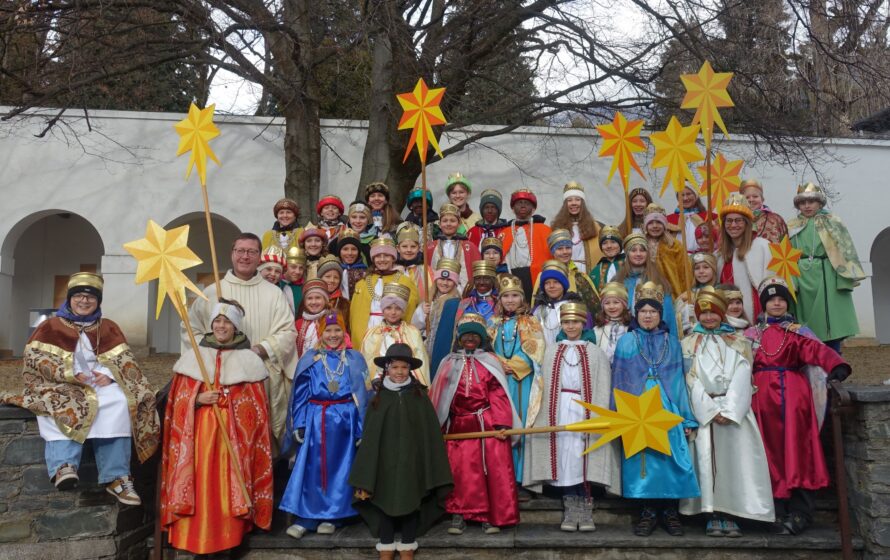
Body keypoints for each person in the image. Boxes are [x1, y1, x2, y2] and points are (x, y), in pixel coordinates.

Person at [1, 272, 159, 504]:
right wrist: (69, 374)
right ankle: (63, 466)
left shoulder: (109, 327)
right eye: (79, 296)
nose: (84, 301)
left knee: (119, 401)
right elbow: (34, 360)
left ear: (98, 301)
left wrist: (109, 376)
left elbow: (126, 362)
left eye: (90, 297)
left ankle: (117, 477)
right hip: (60, 383)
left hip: (98, 383)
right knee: (61, 402)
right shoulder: (50, 326)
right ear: (70, 298)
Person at [161, 299, 273, 554]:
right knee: (200, 484)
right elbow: (177, 400)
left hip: (233, 441)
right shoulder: (194, 357)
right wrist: (197, 399)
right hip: (198, 436)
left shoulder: (249, 361)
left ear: (236, 327)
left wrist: (231, 402)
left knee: (227, 486)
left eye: (227, 322)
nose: (222, 326)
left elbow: (256, 410)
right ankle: (194, 541)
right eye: (217, 321)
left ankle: (228, 540)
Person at [744, 277, 852, 535]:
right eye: (772, 300)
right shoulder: (751, 335)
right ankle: (774, 509)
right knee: (766, 452)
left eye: (781, 299)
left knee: (799, 448)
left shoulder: (798, 332)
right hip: (761, 401)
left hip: (794, 399)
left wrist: (836, 365)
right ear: (764, 304)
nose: (777, 303)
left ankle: (800, 512)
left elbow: (817, 350)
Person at [183, 233, 298, 452]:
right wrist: (212, 353)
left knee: (256, 439)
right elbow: (190, 330)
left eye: (251, 252)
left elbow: (288, 331)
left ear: (259, 256)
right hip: (220, 376)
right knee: (222, 440)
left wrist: (259, 349)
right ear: (232, 254)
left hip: (260, 376)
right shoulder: (212, 292)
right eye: (240, 251)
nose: (245, 256)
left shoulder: (273, 293)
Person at [679, 287, 774, 536]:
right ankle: (711, 513)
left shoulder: (738, 342)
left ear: (722, 313)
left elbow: (744, 373)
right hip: (705, 412)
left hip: (734, 412)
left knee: (735, 462)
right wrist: (709, 410)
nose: (709, 317)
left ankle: (732, 512)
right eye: (704, 313)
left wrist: (730, 410)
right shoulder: (688, 343)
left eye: (714, 313)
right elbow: (689, 379)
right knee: (706, 462)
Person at [611, 281, 699, 536]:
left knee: (669, 456)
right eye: (643, 311)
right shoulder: (626, 342)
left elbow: (678, 380)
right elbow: (620, 379)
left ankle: (670, 511)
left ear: (660, 314)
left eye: (653, 311)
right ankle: (647, 511)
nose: (648, 316)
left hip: (667, 405)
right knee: (644, 458)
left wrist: (685, 417)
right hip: (637, 407)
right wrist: (619, 415)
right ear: (636, 314)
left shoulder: (672, 342)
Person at [349, 344, 453, 560]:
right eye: (395, 367)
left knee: (411, 495)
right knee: (384, 495)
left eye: (404, 367)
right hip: (384, 462)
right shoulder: (378, 398)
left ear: (410, 370)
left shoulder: (420, 396)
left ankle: (407, 544)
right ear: (387, 369)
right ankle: (386, 544)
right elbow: (371, 436)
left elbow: (429, 433)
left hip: (412, 461)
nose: (399, 372)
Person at [524, 303, 620, 532]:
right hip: (558, 409)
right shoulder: (551, 350)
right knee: (564, 453)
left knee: (582, 453)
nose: (571, 326)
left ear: (583, 323)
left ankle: (585, 504)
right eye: (566, 322)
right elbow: (542, 386)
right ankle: (570, 503)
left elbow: (603, 385)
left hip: (585, 407)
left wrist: (597, 414)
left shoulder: (595, 352)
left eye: (575, 322)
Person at [430, 315, 522, 535]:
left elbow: (498, 393)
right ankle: (459, 514)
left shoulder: (490, 361)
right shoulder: (448, 362)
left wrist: (501, 424)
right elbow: (440, 395)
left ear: (481, 339)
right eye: (466, 335)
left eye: (474, 335)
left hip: (486, 423)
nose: (470, 339)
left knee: (489, 470)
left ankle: (488, 516)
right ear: (459, 338)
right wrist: (438, 425)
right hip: (459, 425)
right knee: (460, 471)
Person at [281, 312, 368, 539]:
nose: (333, 335)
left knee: (339, 469)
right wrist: (299, 423)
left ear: (344, 332)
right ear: (321, 333)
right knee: (312, 468)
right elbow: (300, 394)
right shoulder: (310, 358)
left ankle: (332, 515)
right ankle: (306, 517)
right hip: (316, 420)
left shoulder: (354, 358)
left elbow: (363, 395)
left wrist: (361, 428)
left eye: (337, 330)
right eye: (328, 330)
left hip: (345, 422)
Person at [788, 182, 865, 352]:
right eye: (802, 202)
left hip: (826, 275)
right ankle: (809, 361)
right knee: (804, 323)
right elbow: (786, 253)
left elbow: (844, 250)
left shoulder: (832, 222)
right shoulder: (792, 226)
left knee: (830, 322)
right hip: (801, 275)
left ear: (819, 203)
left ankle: (834, 360)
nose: (807, 206)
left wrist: (842, 278)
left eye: (811, 201)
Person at [490, 275, 545, 499]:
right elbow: (488, 349)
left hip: (522, 380)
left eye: (515, 295)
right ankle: (504, 477)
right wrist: (498, 364)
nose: (510, 300)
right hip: (499, 380)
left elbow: (536, 349)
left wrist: (513, 366)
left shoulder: (531, 322)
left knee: (521, 424)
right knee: (502, 425)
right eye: (506, 296)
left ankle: (522, 478)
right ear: (500, 299)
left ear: (522, 298)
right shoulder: (493, 323)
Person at [350, 237, 419, 345]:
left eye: (386, 255)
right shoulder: (362, 283)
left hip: (394, 331)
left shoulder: (405, 281)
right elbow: (355, 314)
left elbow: (410, 311)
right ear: (373, 259)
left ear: (393, 258)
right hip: (367, 331)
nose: (382, 259)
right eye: (378, 256)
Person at [717, 193, 774, 323]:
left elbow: (770, 284)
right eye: (729, 221)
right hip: (727, 316)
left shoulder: (763, 247)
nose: (733, 225)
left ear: (747, 223)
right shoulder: (720, 254)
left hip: (756, 313)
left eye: (738, 220)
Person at [360, 283, 430, 386]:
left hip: (406, 382)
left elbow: (420, 362)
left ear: (403, 311)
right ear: (382, 309)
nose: (393, 312)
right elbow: (367, 362)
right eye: (388, 308)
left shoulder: (413, 332)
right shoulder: (372, 333)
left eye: (398, 308)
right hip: (380, 384)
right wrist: (375, 379)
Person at [614, 233, 679, 337]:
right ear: (627, 254)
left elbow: (668, 315)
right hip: (625, 336)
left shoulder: (658, 281)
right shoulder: (619, 281)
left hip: (655, 336)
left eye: (642, 250)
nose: (638, 254)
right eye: (633, 250)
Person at [413, 258, 463, 377]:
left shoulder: (456, 303)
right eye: (441, 278)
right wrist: (423, 314)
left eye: (449, 280)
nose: (444, 283)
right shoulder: (428, 301)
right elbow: (415, 327)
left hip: (443, 351)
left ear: (455, 282)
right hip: (425, 351)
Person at [502, 189, 552, 303]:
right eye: (519, 202)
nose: (523, 205)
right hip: (512, 276)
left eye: (527, 203)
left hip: (537, 276)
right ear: (512, 208)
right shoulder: (504, 232)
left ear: (533, 208)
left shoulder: (545, 230)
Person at [425, 203, 481, 292]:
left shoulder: (470, 247)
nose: (448, 224)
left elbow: (478, 273)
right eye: (445, 221)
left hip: (463, 293)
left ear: (459, 224)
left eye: (452, 221)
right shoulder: (430, 247)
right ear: (439, 224)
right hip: (436, 294)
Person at [550, 181, 603, 274]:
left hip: (587, 272)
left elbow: (599, 251)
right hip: (565, 271)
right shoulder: (557, 227)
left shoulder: (594, 226)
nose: (573, 203)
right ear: (565, 204)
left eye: (577, 200)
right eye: (569, 200)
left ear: (582, 203)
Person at [543, 228, 600, 312]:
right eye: (560, 249)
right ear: (552, 252)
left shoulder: (580, 277)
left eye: (568, 248)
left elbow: (595, 309)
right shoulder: (544, 278)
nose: (565, 252)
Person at [533, 259, 587, 344]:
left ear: (563, 284)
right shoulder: (537, 310)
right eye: (547, 283)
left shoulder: (575, 306)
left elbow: (586, 336)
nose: (551, 286)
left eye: (556, 282)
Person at [644, 203, 690, 298]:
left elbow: (684, 272)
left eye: (659, 222)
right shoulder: (641, 244)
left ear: (665, 225)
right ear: (646, 226)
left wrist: (685, 294)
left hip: (670, 293)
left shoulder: (674, 245)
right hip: (646, 291)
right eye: (651, 223)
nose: (655, 226)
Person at [677, 252, 719, 335]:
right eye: (697, 268)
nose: (701, 271)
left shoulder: (720, 292)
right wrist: (685, 312)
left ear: (713, 269)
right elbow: (676, 318)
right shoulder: (687, 295)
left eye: (706, 267)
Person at [666, 186, 718, 253]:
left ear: (695, 196)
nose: (685, 198)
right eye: (682, 195)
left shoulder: (709, 217)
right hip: (678, 257)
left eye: (688, 194)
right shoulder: (669, 220)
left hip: (704, 256)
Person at [741, 179, 788, 244]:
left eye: (755, 196)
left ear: (762, 199)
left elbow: (786, 243)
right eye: (747, 197)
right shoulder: (737, 221)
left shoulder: (776, 219)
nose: (751, 200)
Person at [593, 282, 632, 361]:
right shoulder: (597, 330)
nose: (611, 306)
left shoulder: (631, 328)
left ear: (624, 304)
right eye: (607, 303)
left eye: (616, 302)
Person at [295, 279, 331, 359]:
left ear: (325, 300)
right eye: (309, 298)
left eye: (318, 298)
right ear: (304, 302)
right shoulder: (298, 324)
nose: (313, 302)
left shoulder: (332, 320)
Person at [396, 223, 428, 303]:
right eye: (404, 246)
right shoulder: (392, 269)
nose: (409, 250)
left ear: (419, 248)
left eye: (413, 246)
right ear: (398, 248)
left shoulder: (426, 270)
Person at [588, 225, 625, 293]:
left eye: (613, 242)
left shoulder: (629, 264)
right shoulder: (595, 272)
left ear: (620, 244)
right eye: (604, 243)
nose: (609, 246)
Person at [316, 254, 350, 323]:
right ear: (320, 278)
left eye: (336, 277)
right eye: (327, 276)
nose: (332, 280)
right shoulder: (312, 299)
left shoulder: (344, 303)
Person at [336, 228, 368, 298]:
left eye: (354, 249)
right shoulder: (334, 270)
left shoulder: (366, 273)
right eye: (345, 249)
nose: (350, 253)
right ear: (339, 251)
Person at [283, 246, 307, 315]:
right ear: (286, 266)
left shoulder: (304, 287)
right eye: (293, 267)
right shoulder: (278, 284)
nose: (297, 271)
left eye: (301, 268)